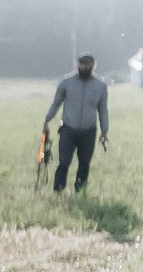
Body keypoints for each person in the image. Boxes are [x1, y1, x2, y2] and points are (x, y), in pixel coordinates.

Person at [44, 52, 111, 192]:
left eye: (87, 63)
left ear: (93, 65)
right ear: (77, 64)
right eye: (81, 63)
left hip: (89, 130)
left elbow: (103, 109)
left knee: (84, 163)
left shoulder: (100, 86)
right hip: (68, 128)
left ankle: (80, 190)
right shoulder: (66, 83)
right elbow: (56, 103)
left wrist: (104, 131)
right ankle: (58, 189)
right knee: (64, 162)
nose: (84, 66)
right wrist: (47, 120)